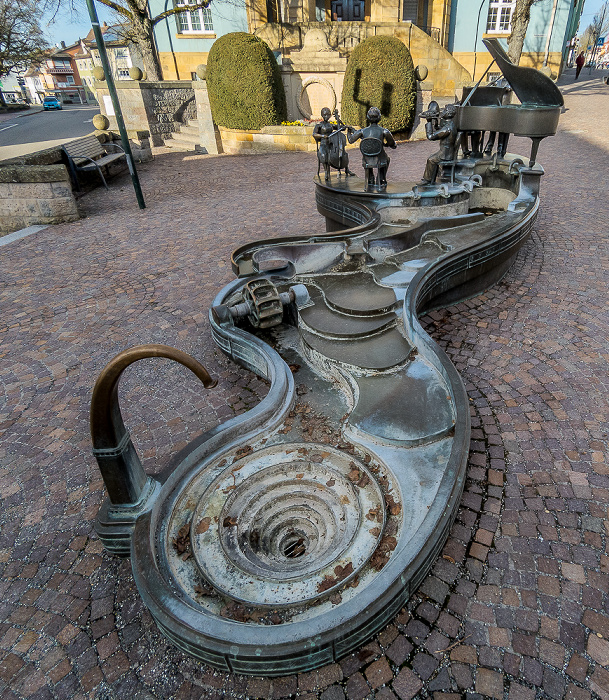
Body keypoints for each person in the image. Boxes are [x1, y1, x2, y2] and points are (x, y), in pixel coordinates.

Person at [346, 106, 396, 191]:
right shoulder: (384, 131)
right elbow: (393, 145)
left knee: (369, 155)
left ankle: (370, 178)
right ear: (379, 118)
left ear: (368, 118)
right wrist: (386, 144)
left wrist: (349, 132)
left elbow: (351, 140)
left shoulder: (362, 131)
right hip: (380, 159)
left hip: (367, 160)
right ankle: (381, 178)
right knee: (386, 159)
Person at [420, 103, 460, 185]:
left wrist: (428, 122)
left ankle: (427, 180)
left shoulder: (447, 129)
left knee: (431, 160)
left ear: (448, 113)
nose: (443, 112)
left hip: (445, 155)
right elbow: (439, 130)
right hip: (448, 152)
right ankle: (431, 179)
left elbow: (431, 137)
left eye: (445, 110)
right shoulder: (451, 124)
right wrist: (435, 122)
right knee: (432, 158)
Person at [313, 107, 354, 181]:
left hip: (332, 145)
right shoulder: (319, 125)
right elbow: (314, 134)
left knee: (342, 152)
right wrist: (322, 136)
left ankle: (346, 169)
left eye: (328, 115)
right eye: (325, 115)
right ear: (322, 115)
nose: (326, 117)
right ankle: (326, 172)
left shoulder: (330, 125)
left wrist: (339, 121)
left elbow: (342, 128)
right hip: (324, 144)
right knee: (323, 155)